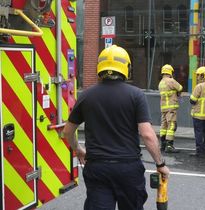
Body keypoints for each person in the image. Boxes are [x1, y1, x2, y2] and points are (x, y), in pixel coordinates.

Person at [62, 45, 170, 210]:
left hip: (97, 168)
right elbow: (147, 135)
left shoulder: (87, 95)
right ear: (126, 67)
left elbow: (68, 131)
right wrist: (160, 164)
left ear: (100, 66)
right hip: (128, 169)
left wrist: (78, 149)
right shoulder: (136, 95)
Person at [190, 66, 205, 157]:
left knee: (198, 133)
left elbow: (192, 100)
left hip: (198, 115)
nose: (197, 77)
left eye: (198, 75)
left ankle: (199, 152)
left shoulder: (199, 86)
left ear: (202, 75)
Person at [158, 64, 183, 153]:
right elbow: (180, 87)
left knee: (163, 126)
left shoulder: (161, 82)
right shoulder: (171, 81)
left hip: (164, 108)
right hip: (171, 107)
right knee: (172, 125)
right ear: (170, 72)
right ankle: (169, 145)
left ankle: (163, 145)